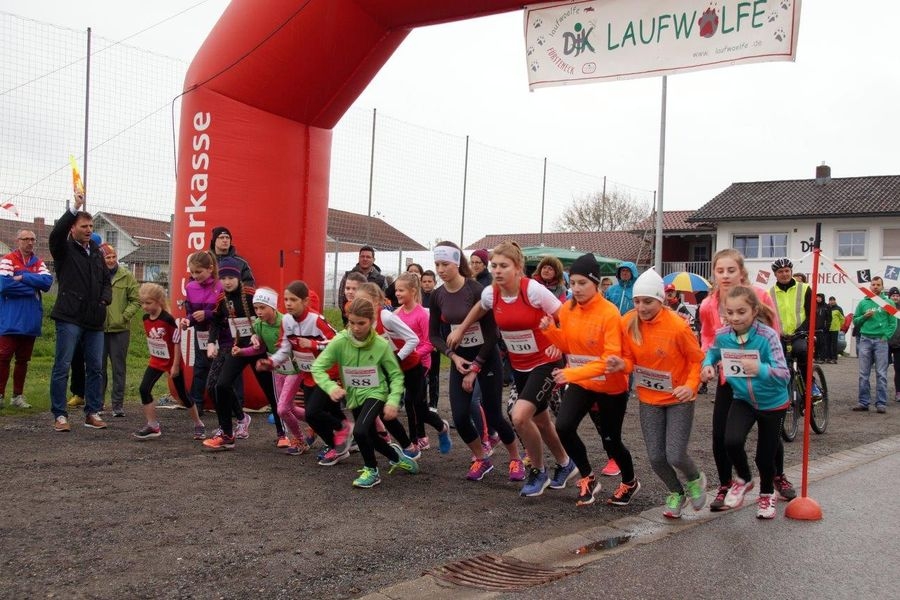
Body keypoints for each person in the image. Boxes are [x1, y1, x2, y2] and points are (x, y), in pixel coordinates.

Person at [448, 241, 575, 497]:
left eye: (504, 266)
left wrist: (560, 343)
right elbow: (480, 307)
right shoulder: (491, 293)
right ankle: (565, 463)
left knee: (519, 416)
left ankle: (539, 471)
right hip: (520, 365)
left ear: (518, 268)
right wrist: (461, 329)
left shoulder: (534, 291)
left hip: (546, 362)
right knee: (540, 420)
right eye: (494, 265)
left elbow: (567, 317)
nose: (497, 270)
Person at [607, 268, 706, 518]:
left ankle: (695, 479)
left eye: (648, 302)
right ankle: (676, 492)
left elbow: (697, 359)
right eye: (637, 301)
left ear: (661, 301)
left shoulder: (678, 326)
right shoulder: (628, 322)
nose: (641, 307)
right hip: (649, 398)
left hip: (678, 397)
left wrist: (690, 386)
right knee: (656, 458)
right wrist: (621, 365)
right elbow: (630, 359)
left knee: (675, 454)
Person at [699, 249, 794, 509]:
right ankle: (726, 484)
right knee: (721, 435)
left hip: (762, 378)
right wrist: (709, 363)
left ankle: (777, 476)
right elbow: (709, 339)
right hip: (731, 379)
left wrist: (758, 365)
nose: (725, 275)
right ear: (714, 273)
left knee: (769, 436)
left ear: (741, 272)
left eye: (731, 270)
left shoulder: (759, 296)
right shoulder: (708, 304)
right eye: (720, 271)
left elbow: (772, 333)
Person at [538, 253, 634, 506]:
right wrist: (550, 331)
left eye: (582, 283)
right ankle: (588, 477)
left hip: (609, 385)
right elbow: (568, 345)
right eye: (573, 283)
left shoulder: (609, 313)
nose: (577, 288)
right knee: (564, 426)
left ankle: (630, 481)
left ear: (596, 283)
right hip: (583, 382)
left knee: (611, 441)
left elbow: (609, 361)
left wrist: (571, 373)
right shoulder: (567, 309)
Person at [428, 241, 522, 482]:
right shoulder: (437, 295)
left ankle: (515, 458)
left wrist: (476, 366)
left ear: (457, 263)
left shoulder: (476, 290)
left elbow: (492, 333)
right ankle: (482, 458)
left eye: (445, 264)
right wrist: (454, 357)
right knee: (460, 417)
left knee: (493, 414)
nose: (440, 270)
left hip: (486, 357)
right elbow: (434, 335)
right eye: (437, 264)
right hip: (460, 360)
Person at [311, 298, 420, 488]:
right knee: (371, 437)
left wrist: (393, 401)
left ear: (372, 322)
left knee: (359, 431)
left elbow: (395, 375)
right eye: (351, 322)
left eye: (361, 323)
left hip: (376, 392)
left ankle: (372, 470)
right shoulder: (340, 341)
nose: (355, 328)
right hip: (354, 395)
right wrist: (331, 387)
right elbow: (317, 367)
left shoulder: (380, 345)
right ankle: (396, 457)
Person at [48, 191, 112, 432]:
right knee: (62, 366)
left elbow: (106, 280)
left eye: (91, 226)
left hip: (94, 318)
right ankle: (60, 415)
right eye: (84, 226)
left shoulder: (96, 250)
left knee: (95, 367)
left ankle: (92, 412)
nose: (88, 230)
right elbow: (55, 234)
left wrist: (104, 300)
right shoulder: (63, 249)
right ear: (72, 228)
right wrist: (74, 207)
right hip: (69, 317)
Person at [202, 258, 280, 449]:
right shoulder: (222, 299)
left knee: (271, 391)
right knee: (221, 385)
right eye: (223, 278)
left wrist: (263, 337)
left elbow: (271, 314)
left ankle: (282, 433)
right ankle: (227, 434)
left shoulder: (251, 294)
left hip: (258, 349)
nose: (227, 282)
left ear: (238, 277)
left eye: (231, 278)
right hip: (239, 348)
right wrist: (211, 342)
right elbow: (216, 320)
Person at [257, 281, 336, 456]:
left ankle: (342, 436)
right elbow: (284, 348)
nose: (288, 303)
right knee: (314, 414)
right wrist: (271, 362)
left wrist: (313, 344)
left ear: (305, 301)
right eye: (286, 300)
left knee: (317, 412)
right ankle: (337, 442)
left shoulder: (316, 320)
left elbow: (337, 341)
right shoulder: (286, 320)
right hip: (307, 374)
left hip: (326, 372)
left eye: (293, 300)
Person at [133, 283, 205, 439]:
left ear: (159, 301)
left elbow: (176, 341)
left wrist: (176, 365)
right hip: (156, 360)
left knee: (183, 395)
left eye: (148, 303)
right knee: (144, 389)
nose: (144, 307)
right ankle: (152, 425)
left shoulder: (168, 319)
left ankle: (198, 423)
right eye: (142, 303)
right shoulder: (145, 319)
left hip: (173, 361)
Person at [392, 272, 452, 452]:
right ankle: (420, 438)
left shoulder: (422, 315)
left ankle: (433, 431)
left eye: (401, 290)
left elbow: (429, 343)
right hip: (403, 363)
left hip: (421, 364)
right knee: (414, 405)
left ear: (412, 291)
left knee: (413, 402)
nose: (397, 293)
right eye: (396, 290)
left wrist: (413, 355)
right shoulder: (396, 314)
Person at [0, 229, 52, 409]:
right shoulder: (8, 259)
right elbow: (4, 285)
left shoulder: (38, 262)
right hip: (9, 320)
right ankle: (0, 395)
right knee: (3, 358)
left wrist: (23, 277)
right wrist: (32, 288)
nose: (30, 242)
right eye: (26, 239)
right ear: (18, 240)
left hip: (30, 321)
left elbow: (47, 283)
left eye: (33, 239)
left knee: (23, 360)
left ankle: (17, 396)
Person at [99, 244, 140, 417]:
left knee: (118, 368)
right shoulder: (96, 275)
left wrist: (124, 316)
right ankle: (98, 403)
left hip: (120, 329)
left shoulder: (126, 276)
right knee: (98, 368)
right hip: (99, 329)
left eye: (113, 257)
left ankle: (117, 405)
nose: (111, 260)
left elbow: (136, 300)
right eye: (107, 257)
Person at [181, 251, 224, 416]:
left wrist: (207, 314)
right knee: (200, 366)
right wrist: (188, 321)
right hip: (201, 331)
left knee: (221, 367)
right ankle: (197, 403)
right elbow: (190, 312)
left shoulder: (220, 286)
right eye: (192, 272)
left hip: (220, 331)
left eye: (198, 272)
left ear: (210, 269)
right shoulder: (190, 287)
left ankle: (225, 404)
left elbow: (225, 313)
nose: (195, 275)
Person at [851, 276, 896, 413]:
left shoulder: (888, 302)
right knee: (863, 373)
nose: (875, 286)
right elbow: (855, 321)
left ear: (882, 287)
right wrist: (864, 316)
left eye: (878, 284)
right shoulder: (863, 303)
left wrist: (885, 336)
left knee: (881, 373)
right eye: (873, 284)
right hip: (865, 339)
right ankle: (863, 402)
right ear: (870, 286)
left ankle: (881, 403)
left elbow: (893, 323)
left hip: (881, 341)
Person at [768, 258, 812, 371]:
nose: (784, 274)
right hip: (779, 335)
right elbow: (767, 317)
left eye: (787, 271)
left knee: (801, 351)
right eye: (780, 272)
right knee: (777, 360)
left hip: (799, 333)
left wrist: (802, 329)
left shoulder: (804, 288)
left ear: (791, 271)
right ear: (775, 274)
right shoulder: (769, 293)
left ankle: (808, 380)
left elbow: (812, 313)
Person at [337, 246, 386, 323]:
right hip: (350, 319)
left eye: (368, 257)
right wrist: (348, 314)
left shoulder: (381, 279)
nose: (365, 259)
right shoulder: (347, 275)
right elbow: (341, 298)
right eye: (362, 256)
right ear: (359, 258)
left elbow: (384, 300)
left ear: (373, 260)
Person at [421, 270, 441, 411]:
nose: (427, 284)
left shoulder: (438, 297)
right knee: (422, 373)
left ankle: (433, 404)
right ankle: (421, 401)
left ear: (434, 282)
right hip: (421, 342)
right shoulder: (418, 298)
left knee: (434, 374)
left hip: (434, 341)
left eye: (429, 281)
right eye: (424, 281)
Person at [826, 296, 845, 364]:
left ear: (835, 301)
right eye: (830, 300)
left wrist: (839, 326)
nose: (831, 301)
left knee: (834, 344)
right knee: (828, 344)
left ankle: (834, 358)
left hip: (835, 329)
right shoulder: (827, 308)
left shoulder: (838, 308)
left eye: (833, 300)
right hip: (828, 328)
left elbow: (842, 318)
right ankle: (828, 357)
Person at [813, 292, 831, 363]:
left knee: (822, 344)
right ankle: (815, 357)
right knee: (816, 343)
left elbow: (829, 318)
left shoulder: (826, 307)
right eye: (817, 297)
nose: (818, 299)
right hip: (815, 328)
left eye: (819, 297)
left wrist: (827, 327)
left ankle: (822, 358)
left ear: (822, 298)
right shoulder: (815, 306)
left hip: (823, 329)